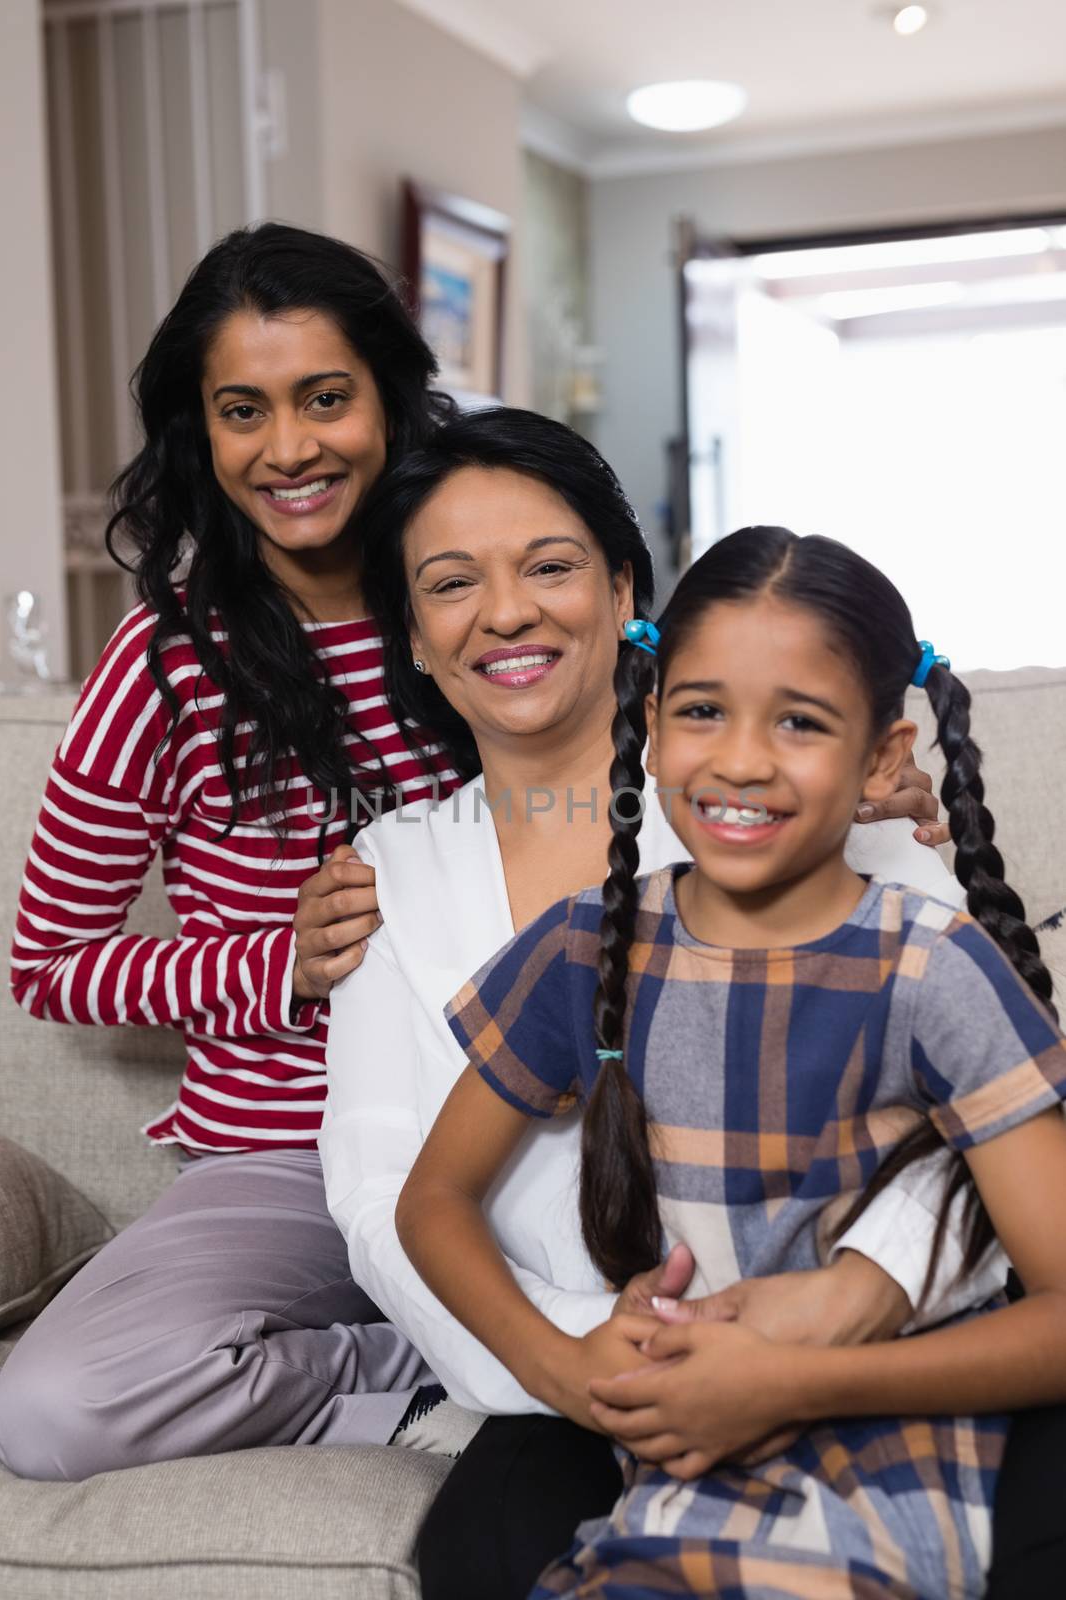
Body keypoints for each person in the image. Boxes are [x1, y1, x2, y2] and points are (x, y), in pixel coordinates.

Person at [309, 412, 1003, 1596]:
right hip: (571, 1376)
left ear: (627, 590)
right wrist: (587, 1357)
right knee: (487, 1556)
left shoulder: (784, 797)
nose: (506, 612)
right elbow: (385, 1198)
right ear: (415, 637)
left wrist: (838, 1305)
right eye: (450, 583)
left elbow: (987, 1119)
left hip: (862, 1340)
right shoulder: (391, 873)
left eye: (548, 566)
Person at [0, 221, 470, 1481]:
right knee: (51, 1408)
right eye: (242, 409)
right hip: (288, 1163)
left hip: (514, 1141)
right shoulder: (164, 663)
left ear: (389, 400)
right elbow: (49, 960)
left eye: (325, 397)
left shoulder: (486, 602)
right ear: (199, 434)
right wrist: (279, 963)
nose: (289, 447)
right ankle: (433, 1376)